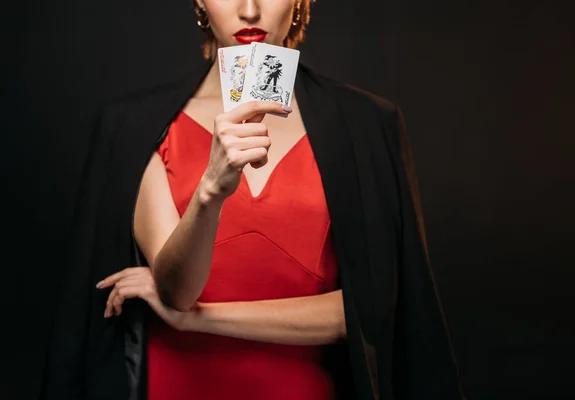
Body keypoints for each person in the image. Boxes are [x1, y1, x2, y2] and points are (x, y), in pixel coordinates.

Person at [43, 1, 465, 399]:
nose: (249, 9)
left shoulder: (367, 126)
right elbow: (177, 292)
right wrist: (210, 190)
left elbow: (371, 312)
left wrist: (201, 320)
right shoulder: (136, 127)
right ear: (200, 3)